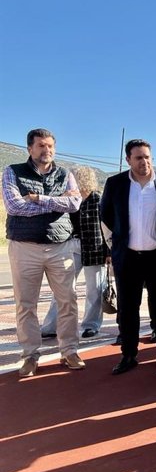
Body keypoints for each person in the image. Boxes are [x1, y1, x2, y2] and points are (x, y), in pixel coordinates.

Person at [2, 128, 85, 376]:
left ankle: (69, 351)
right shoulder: (12, 172)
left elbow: (74, 204)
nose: (46, 150)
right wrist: (55, 201)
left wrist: (38, 198)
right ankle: (30, 355)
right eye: (41, 146)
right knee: (26, 304)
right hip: (25, 247)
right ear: (30, 148)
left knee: (67, 300)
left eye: (50, 146)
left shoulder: (65, 173)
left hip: (60, 246)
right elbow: (15, 206)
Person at [100, 139, 156, 374]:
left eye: (147, 157)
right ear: (128, 160)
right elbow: (106, 215)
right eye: (138, 158)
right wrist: (117, 244)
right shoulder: (116, 184)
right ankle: (129, 355)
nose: (144, 162)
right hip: (128, 256)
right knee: (128, 307)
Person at [41, 166, 108, 339]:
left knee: (95, 290)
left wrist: (109, 252)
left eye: (72, 178)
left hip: (95, 247)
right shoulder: (69, 199)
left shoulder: (98, 199)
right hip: (71, 244)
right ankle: (51, 326)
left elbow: (107, 227)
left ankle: (91, 325)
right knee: (63, 288)